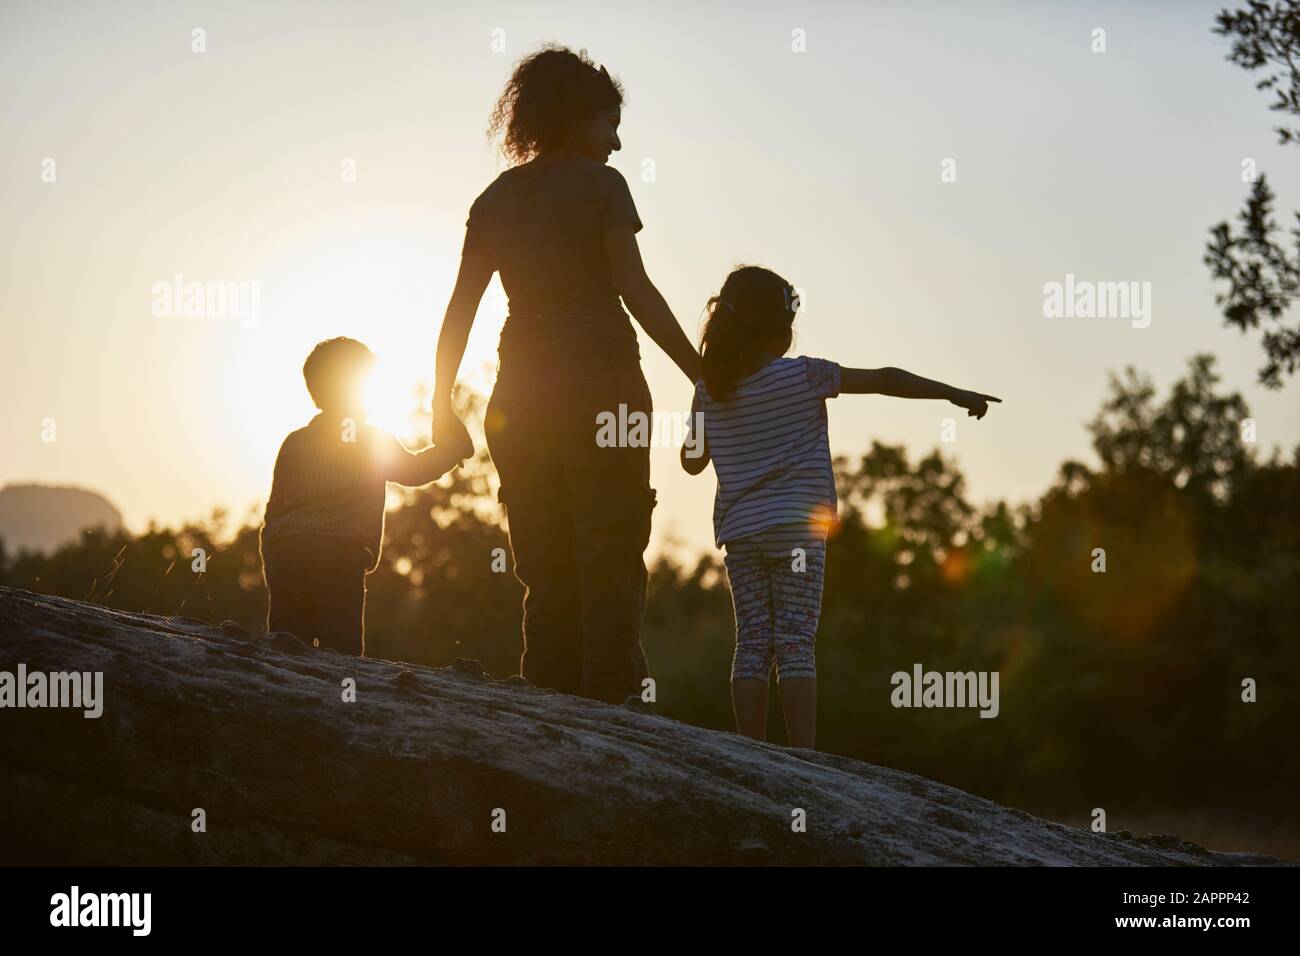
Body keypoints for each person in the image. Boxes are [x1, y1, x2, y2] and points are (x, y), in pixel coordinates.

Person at [432, 46, 700, 703]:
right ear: (578, 117)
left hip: (519, 402)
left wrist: (441, 402)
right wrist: (701, 372)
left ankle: (545, 717)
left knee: (544, 568)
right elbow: (632, 286)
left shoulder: (493, 199)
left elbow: (458, 311)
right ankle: (612, 712)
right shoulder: (601, 186)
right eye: (609, 122)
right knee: (608, 555)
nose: (616, 140)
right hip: (603, 390)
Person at [681, 266, 1001, 748]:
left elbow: (691, 462)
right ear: (777, 329)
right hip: (797, 531)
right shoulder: (806, 374)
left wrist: (702, 403)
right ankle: (803, 758)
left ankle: (749, 751)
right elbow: (885, 380)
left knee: (750, 644)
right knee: (795, 644)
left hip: (741, 533)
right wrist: (953, 393)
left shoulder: (709, 390)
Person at [261, 337, 472, 655]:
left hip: (287, 550)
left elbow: (273, 512)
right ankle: (343, 699)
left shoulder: (294, 442)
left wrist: (273, 565)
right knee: (340, 646)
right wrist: (451, 451)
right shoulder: (370, 439)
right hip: (339, 553)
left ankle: (282, 696)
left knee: (286, 644)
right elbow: (413, 470)